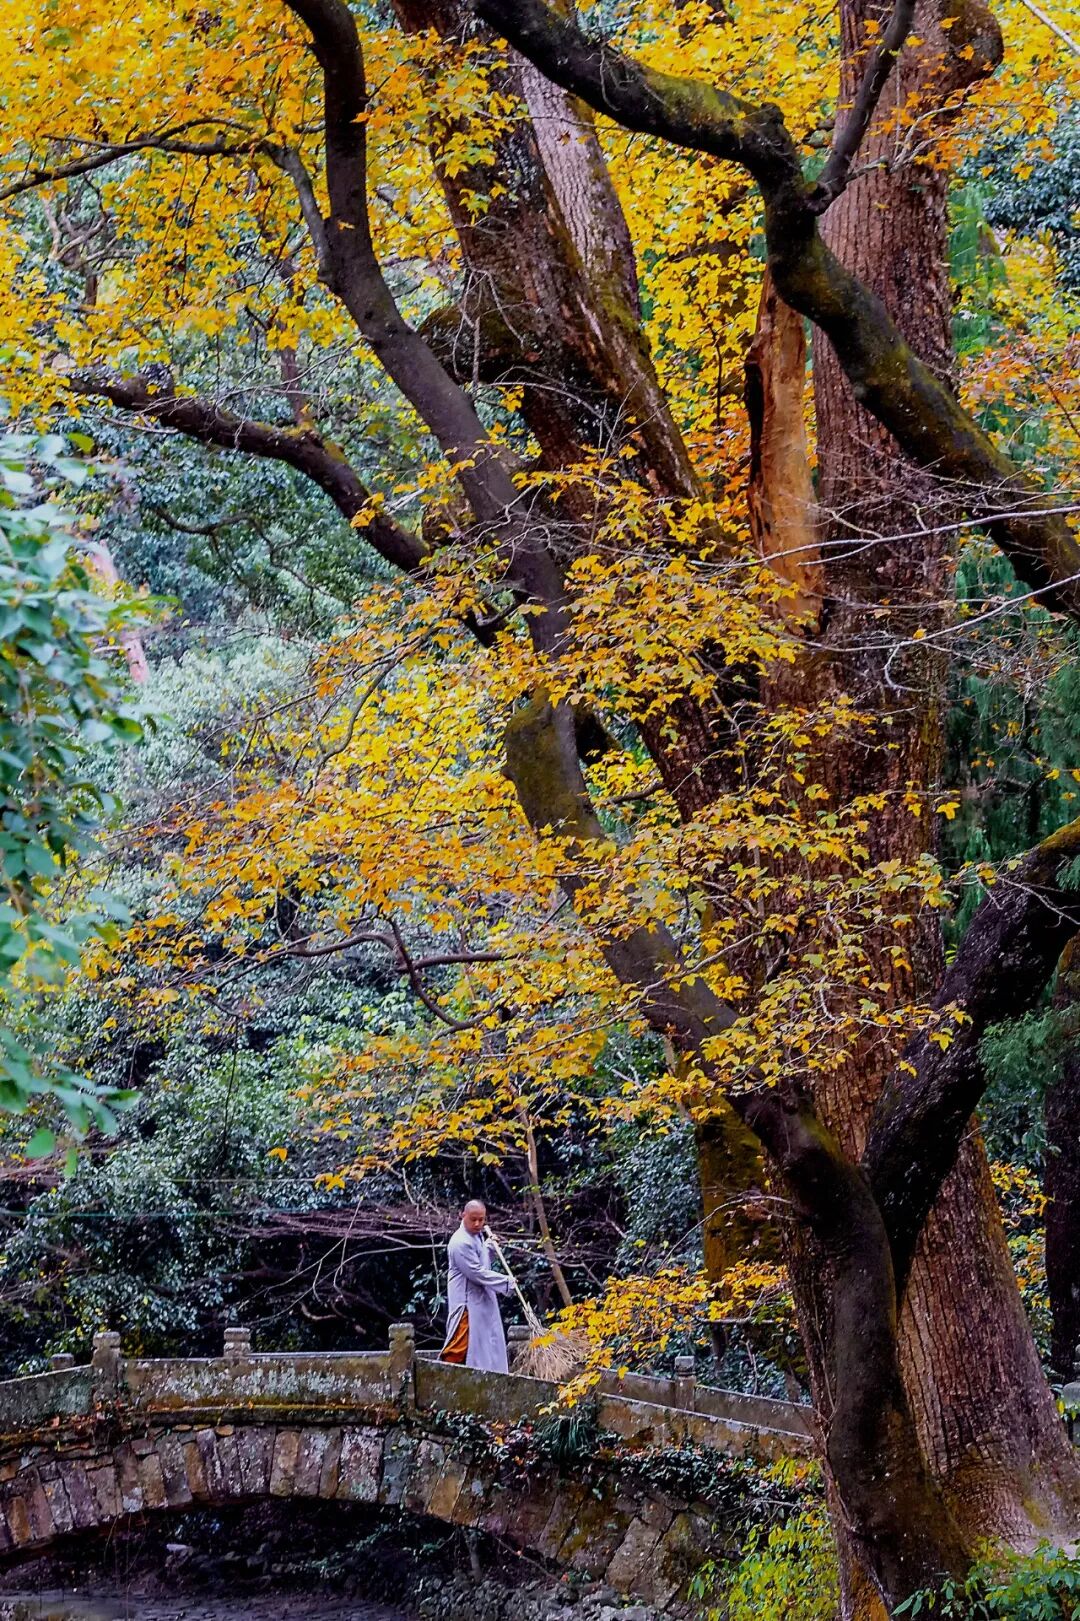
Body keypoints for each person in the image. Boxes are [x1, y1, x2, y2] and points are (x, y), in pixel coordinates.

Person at [439, 1198, 513, 1372]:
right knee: (460, 1346)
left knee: (488, 1344)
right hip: (467, 1304)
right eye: (473, 1219)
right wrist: (505, 1282)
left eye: (482, 1219)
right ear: (462, 1215)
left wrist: (490, 1249)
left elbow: (482, 1260)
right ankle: (445, 1378)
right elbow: (476, 1273)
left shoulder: (478, 1235)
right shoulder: (459, 1242)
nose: (478, 1223)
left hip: (483, 1301)